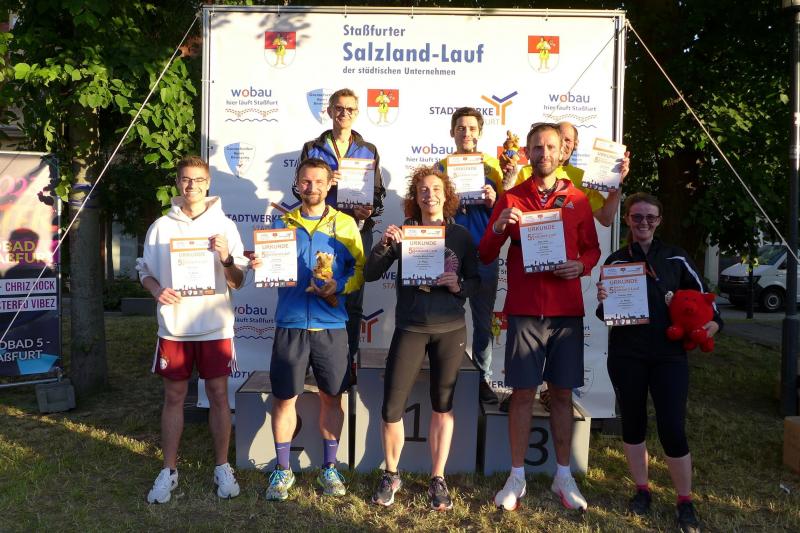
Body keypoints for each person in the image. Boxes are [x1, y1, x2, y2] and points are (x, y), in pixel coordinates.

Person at [479, 123, 601, 512]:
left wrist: (580, 266)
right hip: (525, 310)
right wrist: (499, 225)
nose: (544, 153)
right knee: (522, 394)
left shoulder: (577, 198)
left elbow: (592, 250)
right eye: (537, 147)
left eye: (550, 147)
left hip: (566, 313)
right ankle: (517, 476)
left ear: (562, 152)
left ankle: (563, 476)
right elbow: (485, 252)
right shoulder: (512, 196)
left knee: (561, 395)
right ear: (527, 153)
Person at [596, 192, 721, 533]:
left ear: (659, 221)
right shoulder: (616, 262)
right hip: (627, 354)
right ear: (627, 219)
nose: (643, 223)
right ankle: (642, 491)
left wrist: (714, 323)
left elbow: (706, 299)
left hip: (669, 356)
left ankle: (685, 500)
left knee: (672, 427)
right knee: (633, 423)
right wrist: (604, 300)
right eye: (637, 217)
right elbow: (605, 315)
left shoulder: (676, 257)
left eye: (650, 217)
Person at [365, 166, 479, 511]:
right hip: (411, 327)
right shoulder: (405, 233)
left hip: (449, 329)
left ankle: (437, 478)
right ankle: (391, 474)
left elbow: (476, 281)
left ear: (447, 195)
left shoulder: (460, 236)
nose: (430, 195)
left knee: (443, 404)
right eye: (423, 190)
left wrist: (459, 285)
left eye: (436, 189)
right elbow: (370, 273)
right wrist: (385, 244)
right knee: (391, 407)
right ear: (415, 198)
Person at [138, 155, 246, 504]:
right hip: (175, 328)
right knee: (174, 397)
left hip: (215, 327)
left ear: (208, 183)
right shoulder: (161, 226)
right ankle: (168, 470)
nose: (192, 186)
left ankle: (222, 466)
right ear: (177, 183)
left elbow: (238, 281)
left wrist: (226, 258)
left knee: (218, 395)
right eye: (185, 179)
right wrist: (157, 290)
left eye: (198, 180)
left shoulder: (225, 225)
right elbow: (145, 272)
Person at [257, 157, 365, 501]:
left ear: (330, 184)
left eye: (319, 182)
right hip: (290, 322)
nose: (312, 187)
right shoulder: (282, 222)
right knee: (284, 398)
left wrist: (339, 286)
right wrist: (261, 264)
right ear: (297, 183)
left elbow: (359, 269)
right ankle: (283, 468)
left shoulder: (345, 224)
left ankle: (329, 467)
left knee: (332, 397)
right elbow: (268, 265)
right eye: (306, 181)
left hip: (330, 323)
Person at [299, 88, 386, 367]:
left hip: (356, 229)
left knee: (353, 298)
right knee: (316, 290)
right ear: (329, 111)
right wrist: (325, 182)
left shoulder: (369, 149)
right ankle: (315, 364)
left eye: (350, 109)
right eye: (338, 108)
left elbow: (378, 194)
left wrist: (368, 209)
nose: (343, 113)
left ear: (357, 113)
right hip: (319, 230)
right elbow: (296, 188)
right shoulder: (312, 147)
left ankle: (347, 364)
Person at [437, 107, 509, 404]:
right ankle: (445, 375)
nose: (466, 133)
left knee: (482, 321)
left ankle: (481, 378)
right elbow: (431, 208)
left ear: (479, 132)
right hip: (450, 253)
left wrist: (493, 202)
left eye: (471, 128)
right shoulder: (440, 167)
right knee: (444, 318)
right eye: (460, 128)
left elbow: (506, 211)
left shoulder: (493, 167)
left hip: (483, 252)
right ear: (452, 132)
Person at [512, 121, 630, 227]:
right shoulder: (526, 172)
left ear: (575, 144)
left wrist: (617, 181)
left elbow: (606, 218)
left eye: (567, 140)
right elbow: (510, 209)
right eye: (559, 139)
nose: (563, 144)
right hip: (532, 240)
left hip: (569, 243)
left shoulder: (581, 177)